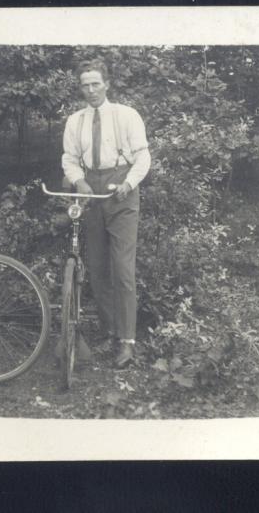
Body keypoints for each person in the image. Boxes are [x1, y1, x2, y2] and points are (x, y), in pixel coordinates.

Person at [61, 59, 151, 368]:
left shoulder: (126, 115)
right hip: (92, 191)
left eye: (95, 83)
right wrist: (80, 181)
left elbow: (143, 157)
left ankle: (128, 342)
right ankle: (110, 332)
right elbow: (69, 158)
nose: (90, 90)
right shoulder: (76, 121)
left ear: (107, 84)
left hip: (121, 189)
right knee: (97, 269)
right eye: (85, 85)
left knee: (122, 269)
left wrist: (128, 183)